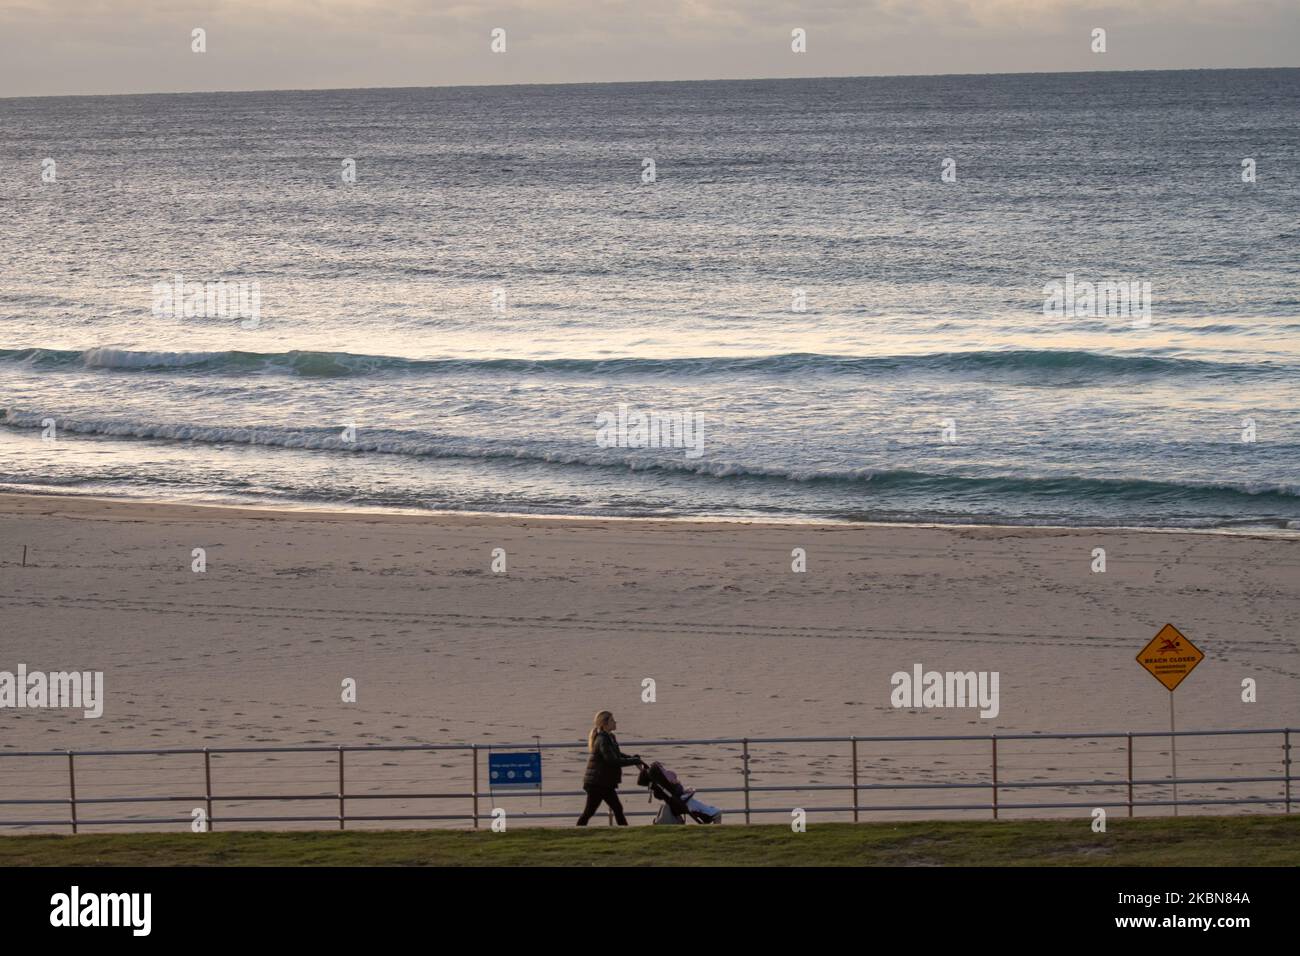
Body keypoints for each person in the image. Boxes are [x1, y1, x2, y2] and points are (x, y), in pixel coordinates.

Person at [576, 710, 643, 826]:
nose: (615, 722)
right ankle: (576, 831)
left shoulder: (610, 737)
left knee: (615, 809)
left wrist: (633, 758)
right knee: (591, 812)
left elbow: (617, 755)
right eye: (612, 720)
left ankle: (625, 832)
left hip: (603, 782)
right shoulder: (602, 739)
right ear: (604, 723)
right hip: (597, 782)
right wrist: (634, 761)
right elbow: (613, 761)